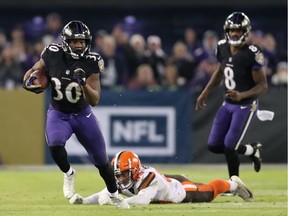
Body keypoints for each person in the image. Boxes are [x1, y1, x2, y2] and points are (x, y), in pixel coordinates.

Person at [22, 20, 129, 209]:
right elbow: (33, 71)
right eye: (74, 41)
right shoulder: (51, 54)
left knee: (102, 161)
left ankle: (114, 195)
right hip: (59, 112)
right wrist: (28, 81)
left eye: (82, 41)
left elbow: (94, 100)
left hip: (82, 114)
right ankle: (69, 173)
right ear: (65, 42)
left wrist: (84, 84)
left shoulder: (92, 61)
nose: (79, 45)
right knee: (55, 144)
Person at [195, 12, 268, 178]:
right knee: (214, 145)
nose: (235, 34)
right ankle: (252, 150)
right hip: (227, 103)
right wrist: (205, 92)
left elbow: (263, 86)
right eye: (232, 30)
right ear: (226, 31)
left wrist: (242, 95)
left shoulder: (253, 52)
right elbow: (220, 71)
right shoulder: (221, 47)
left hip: (246, 104)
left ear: (246, 32)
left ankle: (234, 183)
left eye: (239, 31)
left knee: (229, 146)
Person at [69, 150, 253, 205]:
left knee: (209, 192)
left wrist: (122, 202)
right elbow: (106, 192)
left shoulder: (147, 177)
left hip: (179, 191)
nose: (121, 178)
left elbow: (143, 200)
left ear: (134, 170)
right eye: (118, 174)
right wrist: (84, 201)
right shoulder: (127, 178)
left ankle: (233, 184)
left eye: (124, 173)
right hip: (167, 182)